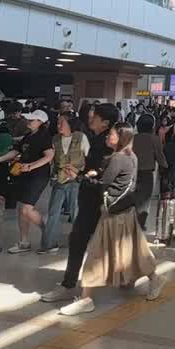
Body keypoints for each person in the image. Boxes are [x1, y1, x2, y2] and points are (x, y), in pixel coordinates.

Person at [56, 125, 165, 315]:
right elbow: (112, 180)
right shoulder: (131, 155)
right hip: (124, 212)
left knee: (95, 256)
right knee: (134, 252)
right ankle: (154, 278)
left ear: (121, 137)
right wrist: (94, 175)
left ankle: (86, 299)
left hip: (113, 215)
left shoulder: (118, 158)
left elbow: (103, 185)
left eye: (111, 134)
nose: (108, 136)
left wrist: (79, 176)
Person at [40, 103, 117, 304]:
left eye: (95, 116)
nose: (91, 118)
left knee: (85, 241)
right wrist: (80, 174)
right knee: (84, 241)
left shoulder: (107, 144)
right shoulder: (97, 138)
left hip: (98, 200)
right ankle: (73, 285)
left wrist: (81, 176)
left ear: (105, 122)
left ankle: (74, 288)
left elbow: (102, 174)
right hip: (92, 197)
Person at [0, 110, 54, 252]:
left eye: (32, 120)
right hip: (24, 174)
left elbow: (49, 156)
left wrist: (31, 166)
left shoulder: (44, 137)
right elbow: (16, 151)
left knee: (26, 209)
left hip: (38, 176)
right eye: (29, 119)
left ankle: (48, 232)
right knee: (21, 208)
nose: (28, 122)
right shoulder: (28, 136)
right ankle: (24, 241)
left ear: (40, 122)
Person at [38, 113, 89, 254]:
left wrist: (80, 173)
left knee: (76, 212)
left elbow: (88, 158)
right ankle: (48, 244)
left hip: (76, 181)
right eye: (58, 123)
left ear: (70, 124)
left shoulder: (81, 137)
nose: (58, 125)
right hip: (59, 180)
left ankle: (80, 243)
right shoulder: (55, 139)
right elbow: (52, 160)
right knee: (53, 212)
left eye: (62, 123)